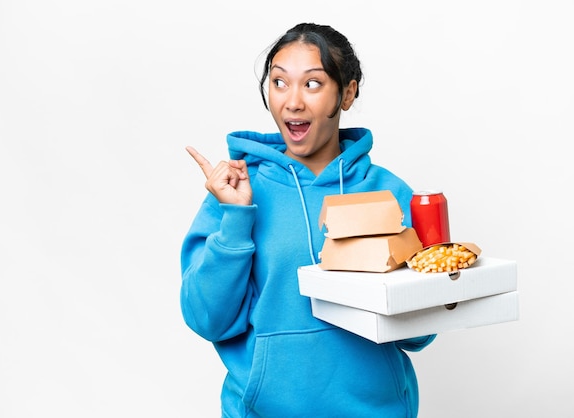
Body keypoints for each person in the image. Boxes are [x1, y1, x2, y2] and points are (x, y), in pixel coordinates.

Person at [180, 22, 436, 417]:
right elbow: (207, 320)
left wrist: (435, 281)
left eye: (312, 84)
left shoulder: (390, 193)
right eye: (279, 83)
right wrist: (235, 217)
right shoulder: (235, 192)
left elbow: (419, 335)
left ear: (347, 93)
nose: (292, 102)